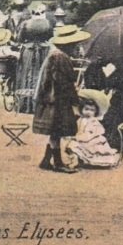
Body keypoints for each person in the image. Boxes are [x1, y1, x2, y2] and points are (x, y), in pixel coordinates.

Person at [33, 26, 91, 173]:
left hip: (51, 97)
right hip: (56, 99)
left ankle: (46, 161)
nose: (76, 47)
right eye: (74, 44)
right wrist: (75, 101)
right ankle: (57, 163)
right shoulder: (60, 57)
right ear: (68, 44)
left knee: (55, 131)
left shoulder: (56, 54)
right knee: (57, 130)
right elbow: (62, 83)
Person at [13, 3, 54, 114]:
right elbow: (51, 37)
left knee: (27, 74)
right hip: (43, 51)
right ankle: (39, 104)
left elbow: (19, 39)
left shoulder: (25, 24)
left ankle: (26, 104)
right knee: (41, 74)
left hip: (29, 51)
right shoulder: (48, 24)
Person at [66, 90, 119, 168]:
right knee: (71, 145)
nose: (89, 112)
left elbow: (91, 133)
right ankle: (78, 160)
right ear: (81, 109)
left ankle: (93, 161)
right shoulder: (80, 119)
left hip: (91, 139)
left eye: (92, 110)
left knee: (86, 148)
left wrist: (79, 138)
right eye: (86, 109)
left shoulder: (93, 121)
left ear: (95, 112)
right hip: (82, 137)